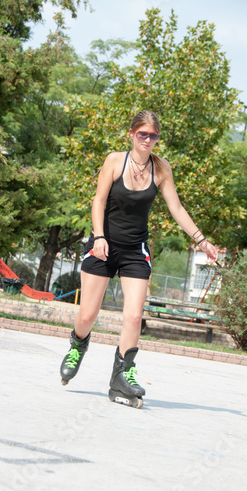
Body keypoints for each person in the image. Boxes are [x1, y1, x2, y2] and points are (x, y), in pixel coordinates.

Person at [60, 110, 218, 408]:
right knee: (87, 316)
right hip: (103, 244)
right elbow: (99, 200)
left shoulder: (161, 169)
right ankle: (78, 344)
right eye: (142, 134)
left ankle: (122, 374)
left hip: (135, 250)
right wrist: (99, 237)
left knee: (133, 316)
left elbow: (177, 208)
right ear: (132, 133)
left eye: (153, 135)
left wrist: (202, 240)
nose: (148, 140)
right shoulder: (114, 161)